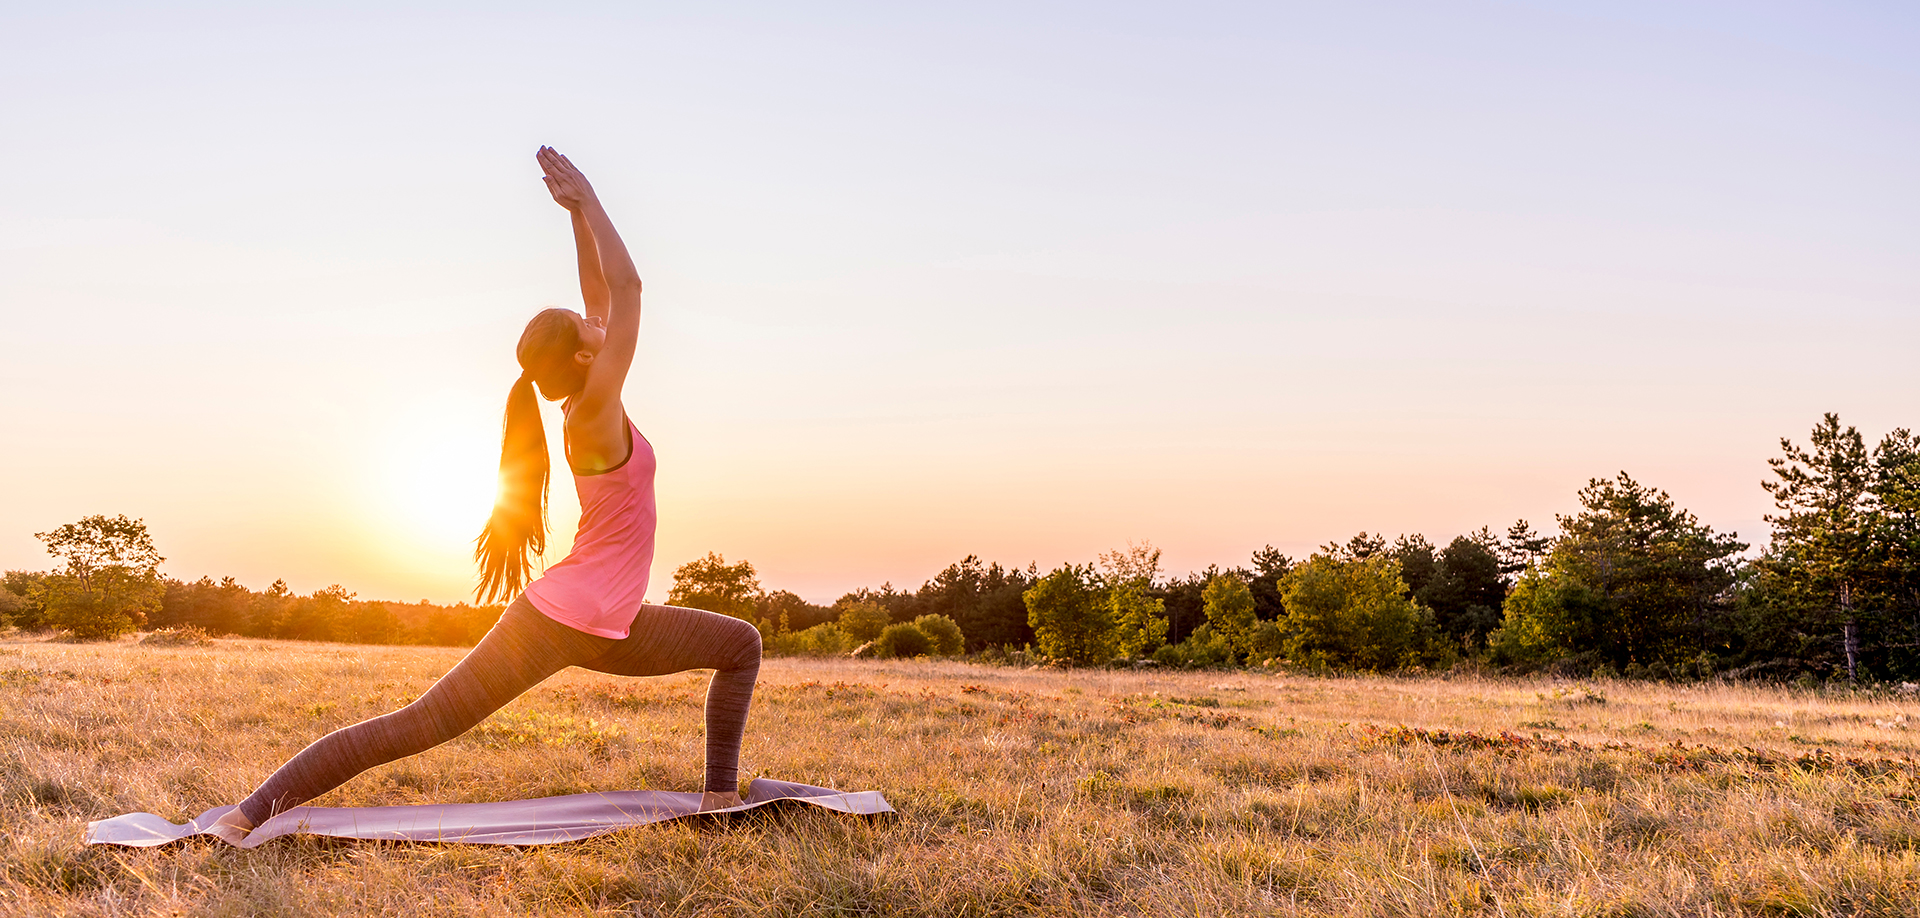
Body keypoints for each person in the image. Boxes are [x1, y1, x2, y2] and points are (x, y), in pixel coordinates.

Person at [211, 147, 761, 840]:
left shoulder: (584, 390)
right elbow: (630, 289)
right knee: (419, 725)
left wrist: (573, 220)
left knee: (739, 644)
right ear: (588, 356)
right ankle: (250, 812)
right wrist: (590, 197)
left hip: (612, 624)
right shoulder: (593, 412)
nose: (600, 320)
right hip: (561, 620)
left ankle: (719, 803)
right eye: (591, 327)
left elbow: (601, 293)